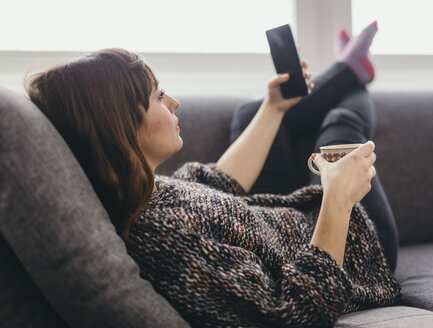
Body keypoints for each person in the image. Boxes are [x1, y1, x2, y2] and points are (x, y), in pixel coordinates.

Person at [25, 21, 401, 328]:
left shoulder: (147, 190)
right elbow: (295, 314)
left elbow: (220, 181)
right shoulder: (165, 241)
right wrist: (337, 201)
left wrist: (274, 107)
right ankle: (352, 69)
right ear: (120, 127)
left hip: (283, 223)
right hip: (359, 246)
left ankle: (347, 69)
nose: (174, 102)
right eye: (159, 96)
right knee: (341, 121)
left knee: (252, 110)